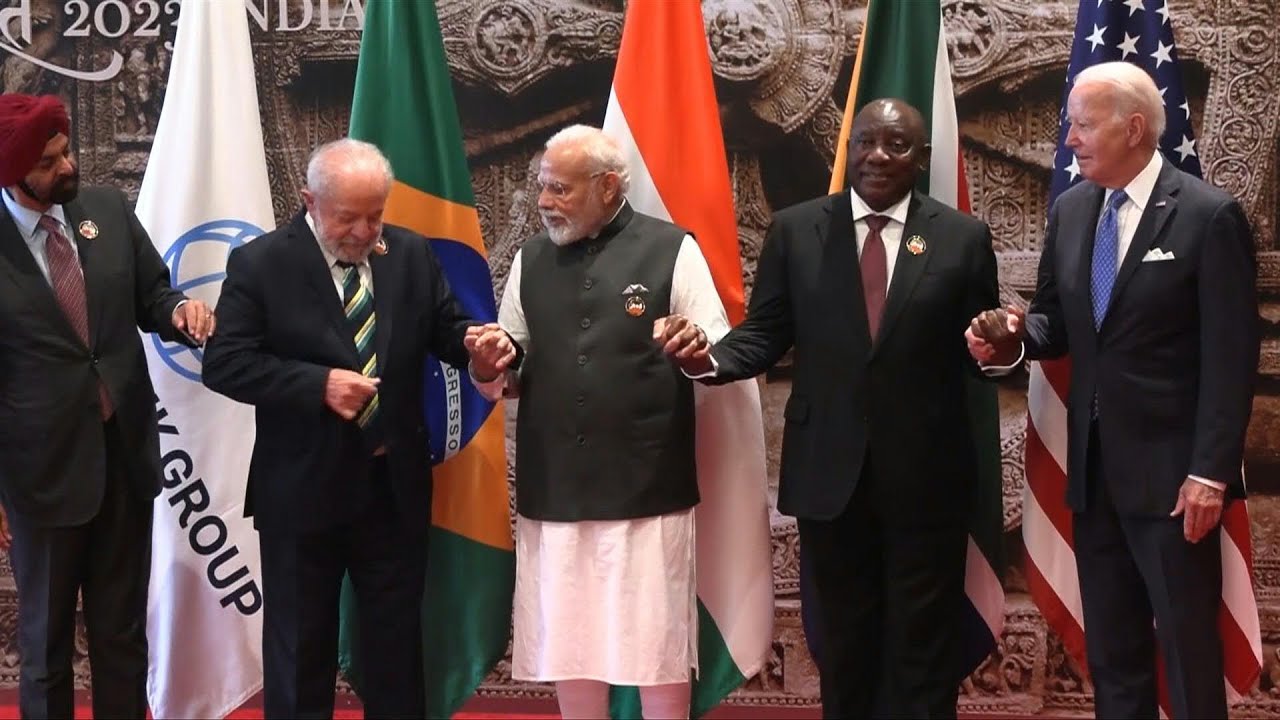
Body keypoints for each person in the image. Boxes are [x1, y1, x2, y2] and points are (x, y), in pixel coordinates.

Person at [661, 98, 999, 718]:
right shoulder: (796, 229)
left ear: (920, 159)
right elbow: (765, 333)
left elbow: (981, 350)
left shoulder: (961, 237)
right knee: (842, 645)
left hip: (928, 479)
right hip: (828, 477)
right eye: (865, 141)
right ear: (849, 148)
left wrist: (1000, 348)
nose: (876, 155)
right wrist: (704, 358)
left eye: (895, 145)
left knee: (923, 650)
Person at [967, 61, 1259, 719]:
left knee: (1186, 655)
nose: (1069, 139)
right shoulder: (1072, 211)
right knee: (1114, 657)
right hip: (1093, 476)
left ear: (1133, 128)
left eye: (1082, 124)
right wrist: (1011, 335)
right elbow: (1053, 323)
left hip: (1175, 485)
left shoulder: (1208, 217)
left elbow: (1231, 357)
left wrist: (1210, 474)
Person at [202, 138, 498, 719]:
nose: (365, 232)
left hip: (392, 487)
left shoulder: (409, 254)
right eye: (348, 217)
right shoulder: (262, 263)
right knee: (299, 648)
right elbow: (226, 363)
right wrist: (317, 386)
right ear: (309, 200)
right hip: (302, 491)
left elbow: (446, 329)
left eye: (375, 215)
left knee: (395, 651)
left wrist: (477, 352)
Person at [467, 124, 726, 720]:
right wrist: (488, 363)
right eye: (541, 187)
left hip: (645, 488)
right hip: (554, 486)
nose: (543, 202)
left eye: (559, 189)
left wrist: (695, 346)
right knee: (570, 640)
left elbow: (719, 347)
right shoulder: (531, 259)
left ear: (608, 187)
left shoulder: (670, 248)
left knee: (655, 645)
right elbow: (509, 364)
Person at [0, 92, 214, 719]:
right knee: (45, 648)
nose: (67, 167)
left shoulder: (108, 211)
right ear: (12, 173)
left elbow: (154, 294)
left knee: (123, 638)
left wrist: (180, 311)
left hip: (123, 461)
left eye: (64, 151)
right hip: (40, 479)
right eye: (48, 162)